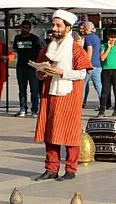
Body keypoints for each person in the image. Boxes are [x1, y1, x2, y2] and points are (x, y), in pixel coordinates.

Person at [34, 10, 93, 181]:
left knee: (69, 132)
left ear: (68, 28)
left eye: (58, 25)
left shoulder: (76, 49)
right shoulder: (47, 48)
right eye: (53, 25)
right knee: (49, 131)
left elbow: (82, 73)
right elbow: (40, 72)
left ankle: (70, 169)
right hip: (49, 94)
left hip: (69, 95)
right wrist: (41, 71)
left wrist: (61, 72)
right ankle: (51, 168)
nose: (54, 28)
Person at [12, 20, 42, 117]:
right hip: (21, 66)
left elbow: (41, 49)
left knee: (34, 89)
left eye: (26, 28)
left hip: (32, 67)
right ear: (21, 27)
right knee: (22, 89)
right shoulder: (17, 38)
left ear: (29, 28)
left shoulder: (35, 39)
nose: (24, 29)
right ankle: (23, 109)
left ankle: (34, 110)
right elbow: (14, 49)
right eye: (23, 27)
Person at [98, 29, 116, 117]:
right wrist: (108, 47)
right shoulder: (103, 46)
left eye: (114, 38)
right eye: (111, 37)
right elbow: (102, 58)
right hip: (106, 69)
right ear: (107, 37)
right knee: (105, 91)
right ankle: (102, 110)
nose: (113, 39)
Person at [80, 21, 103, 109]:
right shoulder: (96, 37)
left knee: (82, 85)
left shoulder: (88, 38)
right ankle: (102, 104)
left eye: (83, 28)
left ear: (86, 29)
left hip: (90, 65)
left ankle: (80, 103)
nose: (82, 30)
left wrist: (88, 64)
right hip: (97, 64)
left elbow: (89, 51)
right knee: (98, 86)